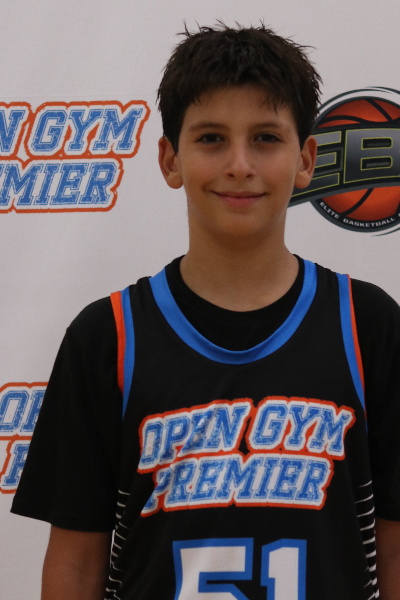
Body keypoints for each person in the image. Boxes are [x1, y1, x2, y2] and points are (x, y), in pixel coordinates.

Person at [11, 23, 400, 600]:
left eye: (265, 138)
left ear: (306, 159)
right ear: (170, 159)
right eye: (212, 138)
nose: (239, 164)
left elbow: (394, 549)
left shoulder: (367, 326)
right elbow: (75, 564)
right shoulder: (107, 337)